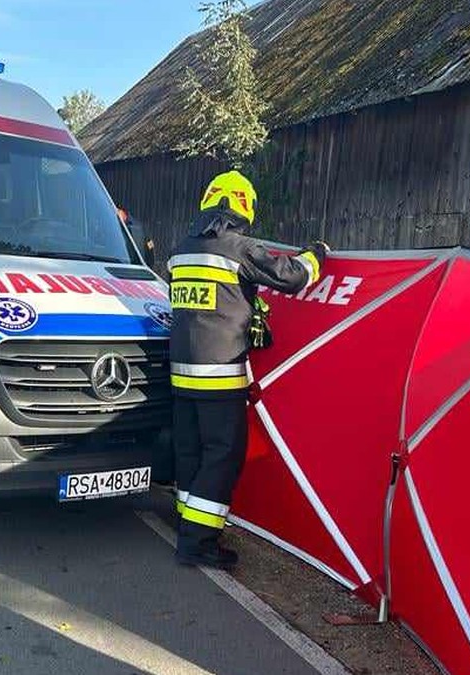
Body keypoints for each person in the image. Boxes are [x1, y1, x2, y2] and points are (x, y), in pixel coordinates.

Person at [168, 170, 328, 569]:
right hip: (219, 374)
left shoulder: (181, 250)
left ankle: (187, 521)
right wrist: (318, 253)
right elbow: (292, 277)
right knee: (223, 454)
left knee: (190, 449)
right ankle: (198, 542)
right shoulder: (239, 248)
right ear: (244, 207)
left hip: (180, 372)